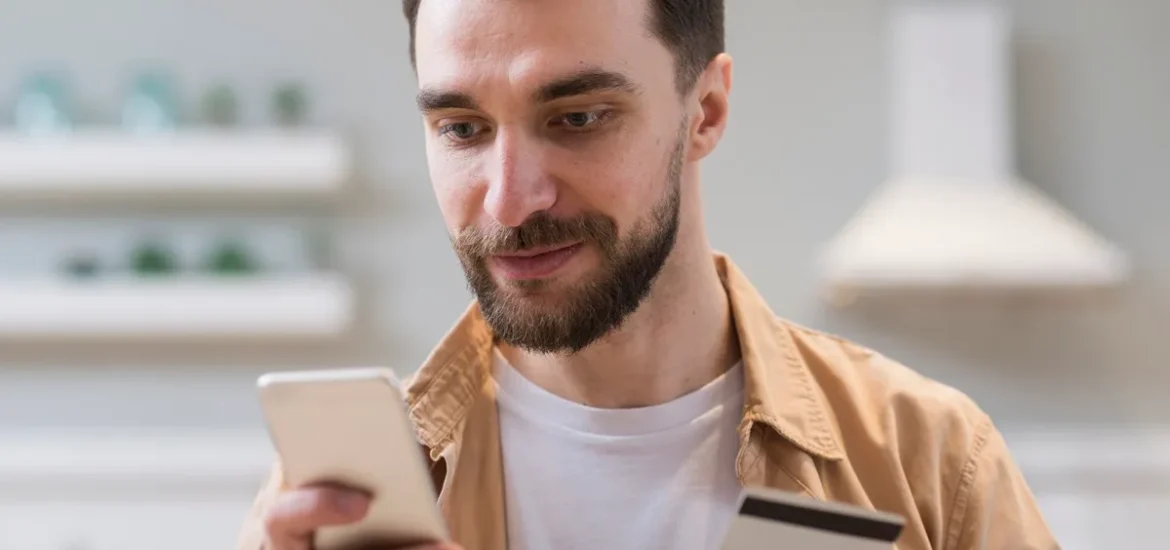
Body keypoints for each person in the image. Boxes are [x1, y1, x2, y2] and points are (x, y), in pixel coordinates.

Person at [236, 0, 1059, 549]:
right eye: (461, 128)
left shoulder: (928, 463)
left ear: (705, 111)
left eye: (579, 118)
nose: (511, 199)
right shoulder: (347, 498)